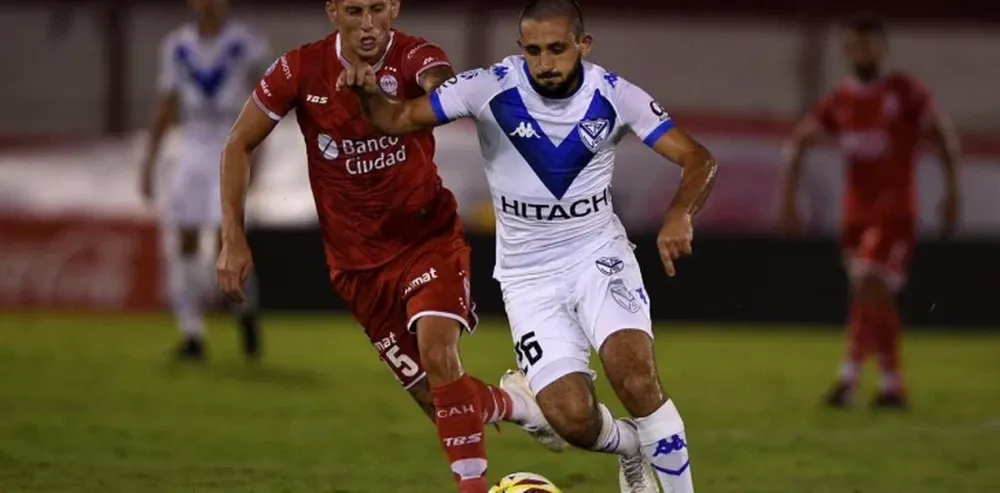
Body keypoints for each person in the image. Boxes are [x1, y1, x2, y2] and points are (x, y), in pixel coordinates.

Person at [339, 1, 717, 491]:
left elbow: (697, 158)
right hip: (528, 277)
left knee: (635, 379)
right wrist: (369, 95)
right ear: (521, 50)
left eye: (557, 49)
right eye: (534, 51)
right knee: (571, 420)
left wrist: (680, 213)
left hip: (597, 256)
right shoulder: (488, 88)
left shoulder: (615, 96)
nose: (545, 63)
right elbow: (396, 118)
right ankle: (630, 448)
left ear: (583, 45)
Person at [216, 1, 561, 492]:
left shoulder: (416, 56)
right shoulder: (298, 69)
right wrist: (233, 237)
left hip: (427, 238)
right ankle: (517, 404)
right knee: (439, 400)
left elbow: (441, 85)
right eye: (354, 10)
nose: (368, 23)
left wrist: (398, 94)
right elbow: (237, 143)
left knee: (438, 354)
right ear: (333, 11)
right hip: (357, 266)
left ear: (394, 8)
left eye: (378, 8)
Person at [781, 13, 960, 409]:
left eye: (868, 45)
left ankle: (848, 378)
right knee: (872, 296)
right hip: (855, 214)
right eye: (854, 46)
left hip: (895, 210)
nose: (861, 52)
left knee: (868, 285)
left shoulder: (904, 92)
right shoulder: (841, 100)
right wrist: (790, 198)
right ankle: (892, 385)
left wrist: (952, 194)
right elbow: (799, 142)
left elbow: (944, 136)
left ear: (882, 49)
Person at [140, 0, 270, 361]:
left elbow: (267, 102)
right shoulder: (176, 45)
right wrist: (149, 159)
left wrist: (258, 154)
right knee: (184, 236)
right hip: (192, 146)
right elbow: (166, 103)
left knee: (224, 238)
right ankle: (192, 333)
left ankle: (245, 312)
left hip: (232, 140)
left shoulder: (246, 43)